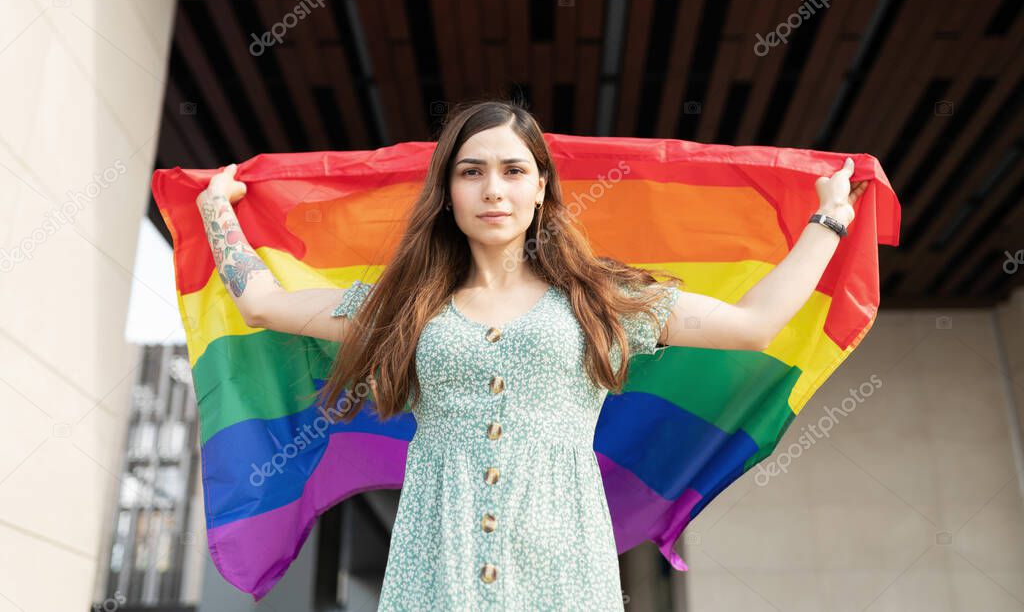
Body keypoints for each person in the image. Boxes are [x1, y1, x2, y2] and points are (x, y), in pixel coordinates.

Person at [194, 99, 867, 610]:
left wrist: (830, 218)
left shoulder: (600, 298)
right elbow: (261, 304)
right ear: (448, 191)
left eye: (514, 170)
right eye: (472, 171)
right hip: (436, 566)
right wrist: (216, 211)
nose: (494, 189)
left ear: (541, 185)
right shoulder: (400, 305)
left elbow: (754, 322)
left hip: (564, 563)